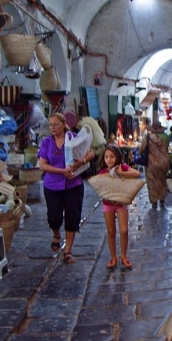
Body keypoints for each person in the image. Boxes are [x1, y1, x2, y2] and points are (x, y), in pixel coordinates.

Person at [38, 113, 95, 264]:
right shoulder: (46, 142)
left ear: (63, 125)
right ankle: (56, 234)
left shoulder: (73, 138)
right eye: (50, 125)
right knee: (54, 217)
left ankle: (68, 251)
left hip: (73, 185)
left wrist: (80, 162)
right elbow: (42, 165)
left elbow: (91, 153)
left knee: (72, 217)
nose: (52, 127)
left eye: (56, 124)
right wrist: (62, 171)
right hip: (52, 185)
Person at [97, 145, 141, 269]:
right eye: (106, 157)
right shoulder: (102, 172)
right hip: (108, 204)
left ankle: (123, 256)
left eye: (112, 156)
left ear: (117, 157)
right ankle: (113, 257)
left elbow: (137, 173)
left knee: (124, 230)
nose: (109, 159)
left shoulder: (122, 167)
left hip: (121, 204)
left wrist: (121, 173)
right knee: (111, 232)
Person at [139, 119, 170, 208]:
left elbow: (141, 149)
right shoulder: (166, 137)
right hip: (164, 162)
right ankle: (162, 198)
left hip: (151, 163)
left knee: (152, 182)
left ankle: (154, 201)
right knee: (162, 180)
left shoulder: (148, 137)